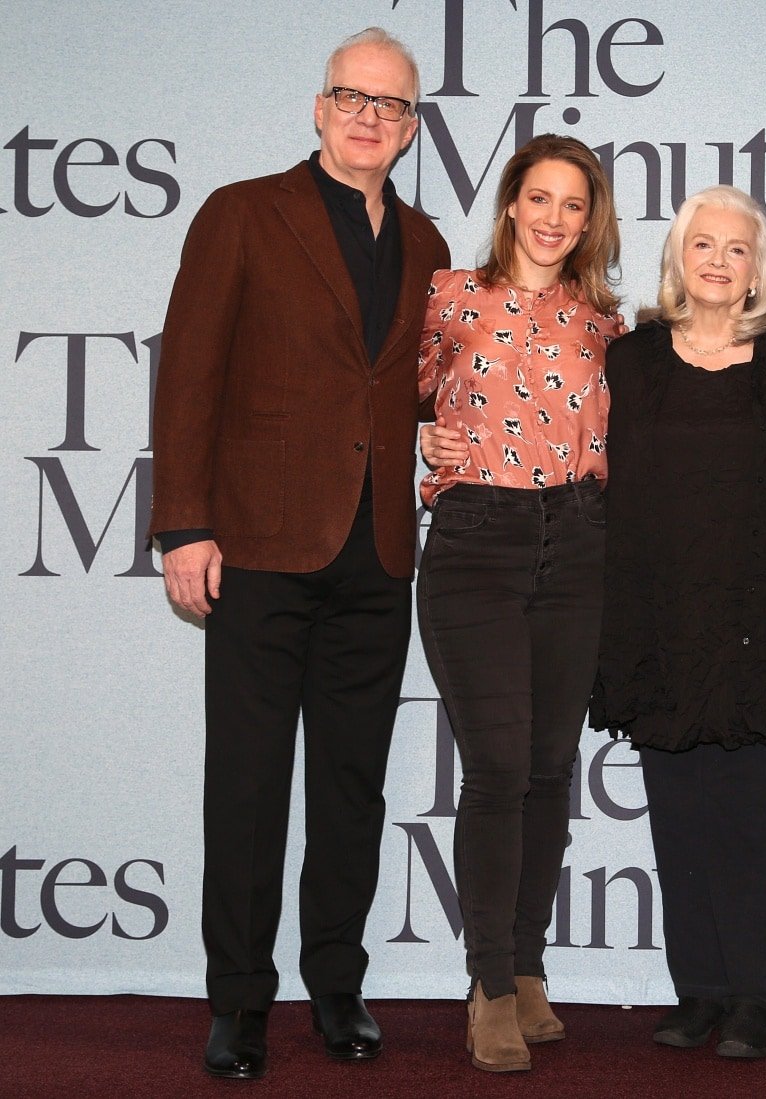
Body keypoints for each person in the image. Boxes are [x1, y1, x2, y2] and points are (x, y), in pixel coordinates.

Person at [149, 28, 449, 1081]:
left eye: (395, 105)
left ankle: (336, 987)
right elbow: (188, 372)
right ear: (318, 109)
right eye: (352, 97)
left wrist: (446, 427)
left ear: (413, 128)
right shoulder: (242, 211)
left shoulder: (426, 243)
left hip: (375, 552)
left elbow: (405, 389)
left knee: (351, 788)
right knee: (246, 785)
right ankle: (236, 1000)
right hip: (258, 548)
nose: (372, 117)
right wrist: (183, 525)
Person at [590, 185, 766, 1060]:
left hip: (761, 625)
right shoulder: (632, 362)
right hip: (660, 623)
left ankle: (757, 995)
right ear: (678, 260)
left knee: (749, 819)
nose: (717, 259)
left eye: (738, 249)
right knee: (679, 823)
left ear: (757, 273)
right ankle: (697, 989)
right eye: (703, 243)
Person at [415, 133, 621, 1073]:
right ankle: (489, 983)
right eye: (539, 198)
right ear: (509, 204)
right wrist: (425, 436)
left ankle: (529, 966)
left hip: (577, 542)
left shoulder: (603, 323)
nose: (553, 218)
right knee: (496, 768)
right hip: (476, 547)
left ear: (591, 220)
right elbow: (376, 398)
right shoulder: (449, 297)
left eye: (573, 204)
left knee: (546, 767)